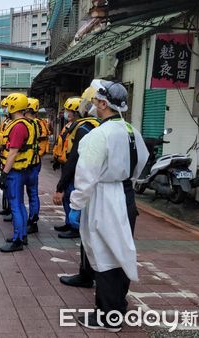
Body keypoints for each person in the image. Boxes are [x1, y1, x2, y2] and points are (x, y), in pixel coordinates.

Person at [69, 80, 149, 332]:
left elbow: (85, 175)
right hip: (125, 195)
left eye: (95, 101)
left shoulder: (99, 134)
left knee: (104, 256)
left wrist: (76, 204)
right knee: (121, 251)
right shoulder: (130, 130)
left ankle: (108, 316)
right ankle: (117, 305)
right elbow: (142, 163)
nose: (92, 105)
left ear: (104, 104)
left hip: (104, 197)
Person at [52, 97, 100, 239]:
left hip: (75, 169)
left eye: (68, 111)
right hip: (68, 165)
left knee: (73, 196)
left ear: (76, 112)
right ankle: (69, 222)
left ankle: (75, 226)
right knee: (68, 196)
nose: (66, 113)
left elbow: (75, 155)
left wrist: (62, 182)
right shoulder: (73, 126)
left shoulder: (84, 128)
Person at [0, 93, 35, 252]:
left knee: (15, 205)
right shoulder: (27, 123)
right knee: (19, 204)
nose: (4, 108)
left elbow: (13, 152)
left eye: (6, 106)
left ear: (13, 107)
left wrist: (4, 174)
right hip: (24, 169)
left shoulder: (18, 126)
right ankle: (23, 234)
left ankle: (18, 239)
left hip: (15, 172)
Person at [23, 97, 46, 234]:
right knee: (32, 193)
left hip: (29, 164)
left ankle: (32, 221)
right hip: (35, 162)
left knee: (30, 193)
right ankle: (32, 219)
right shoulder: (39, 124)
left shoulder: (28, 124)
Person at [0, 98, 12, 220]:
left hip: (9, 159)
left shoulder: (14, 123)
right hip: (3, 156)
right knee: (5, 185)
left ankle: (11, 210)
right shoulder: (6, 121)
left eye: (5, 107)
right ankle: (6, 208)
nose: (3, 109)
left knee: (11, 186)